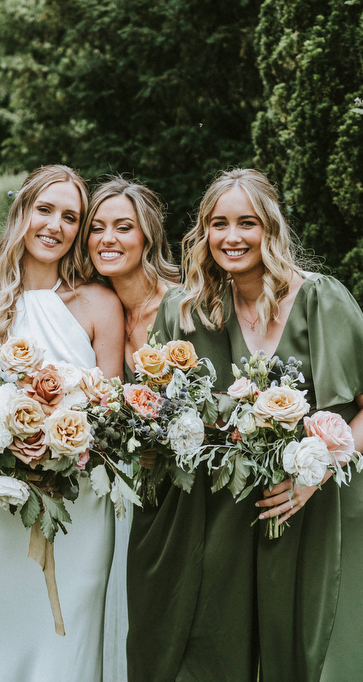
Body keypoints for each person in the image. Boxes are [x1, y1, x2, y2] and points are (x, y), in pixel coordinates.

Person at [179, 168, 363, 682]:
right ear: (204, 232)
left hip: (350, 491)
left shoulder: (323, 298)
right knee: (286, 641)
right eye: (219, 223)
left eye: (247, 223)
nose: (232, 237)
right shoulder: (213, 310)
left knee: (343, 647)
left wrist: (317, 472)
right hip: (282, 499)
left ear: (271, 230)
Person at [0, 165, 125, 682]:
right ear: (22, 213)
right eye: (45, 210)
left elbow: (109, 410)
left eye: (70, 217)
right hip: (0, 498)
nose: (55, 225)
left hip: (78, 502)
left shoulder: (99, 303)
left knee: (70, 634)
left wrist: (61, 443)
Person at [81, 177, 246, 682]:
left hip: (198, 496)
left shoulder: (191, 305)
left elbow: (225, 404)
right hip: (132, 495)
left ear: (147, 237)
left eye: (123, 227)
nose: (108, 238)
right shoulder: (94, 308)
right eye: (97, 228)